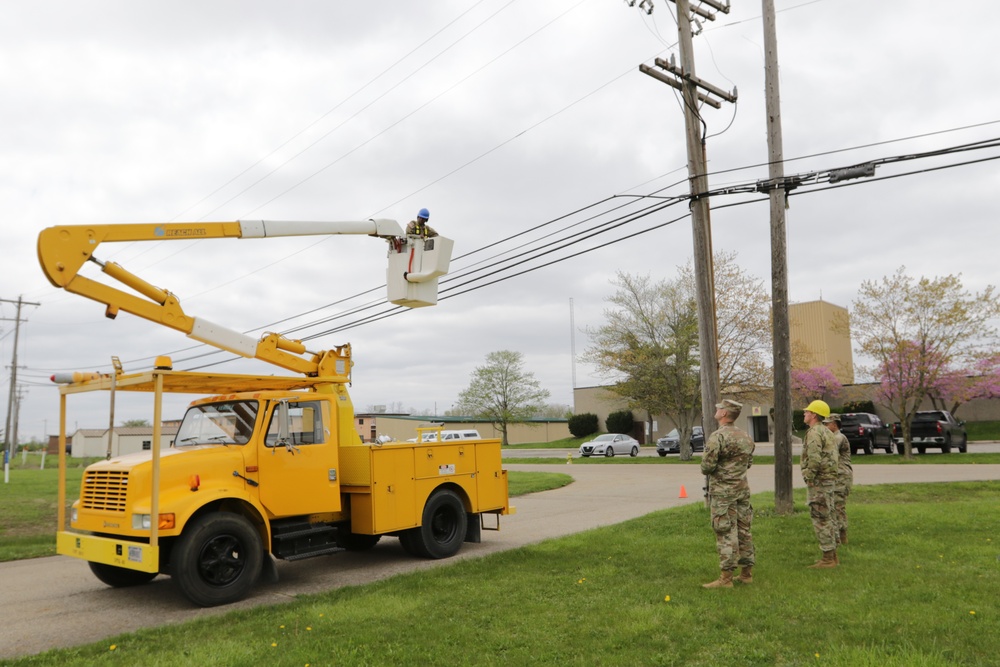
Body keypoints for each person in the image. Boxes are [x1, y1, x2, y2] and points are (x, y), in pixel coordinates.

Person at [700, 399, 756, 588]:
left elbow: (707, 467)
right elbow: (748, 463)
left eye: (719, 409)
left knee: (725, 531)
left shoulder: (718, 437)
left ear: (724, 414)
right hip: (742, 490)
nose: (716, 410)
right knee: (744, 530)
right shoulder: (746, 436)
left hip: (724, 493)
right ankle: (746, 573)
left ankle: (726, 578)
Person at [801, 399, 840, 568]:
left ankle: (828, 559)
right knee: (829, 516)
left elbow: (814, 458)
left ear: (814, 415)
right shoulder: (827, 432)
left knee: (820, 518)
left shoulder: (814, 433)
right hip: (829, 480)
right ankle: (833, 555)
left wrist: (809, 477)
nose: (804, 414)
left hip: (819, 482)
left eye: (807, 412)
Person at [824, 413, 853, 546]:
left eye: (827, 424)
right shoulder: (832, 437)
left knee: (838, 506)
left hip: (841, 477)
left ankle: (842, 535)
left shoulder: (839, 437)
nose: (825, 426)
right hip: (835, 476)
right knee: (833, 506)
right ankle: (837, 536)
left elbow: (830, 452)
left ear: (834, 425)